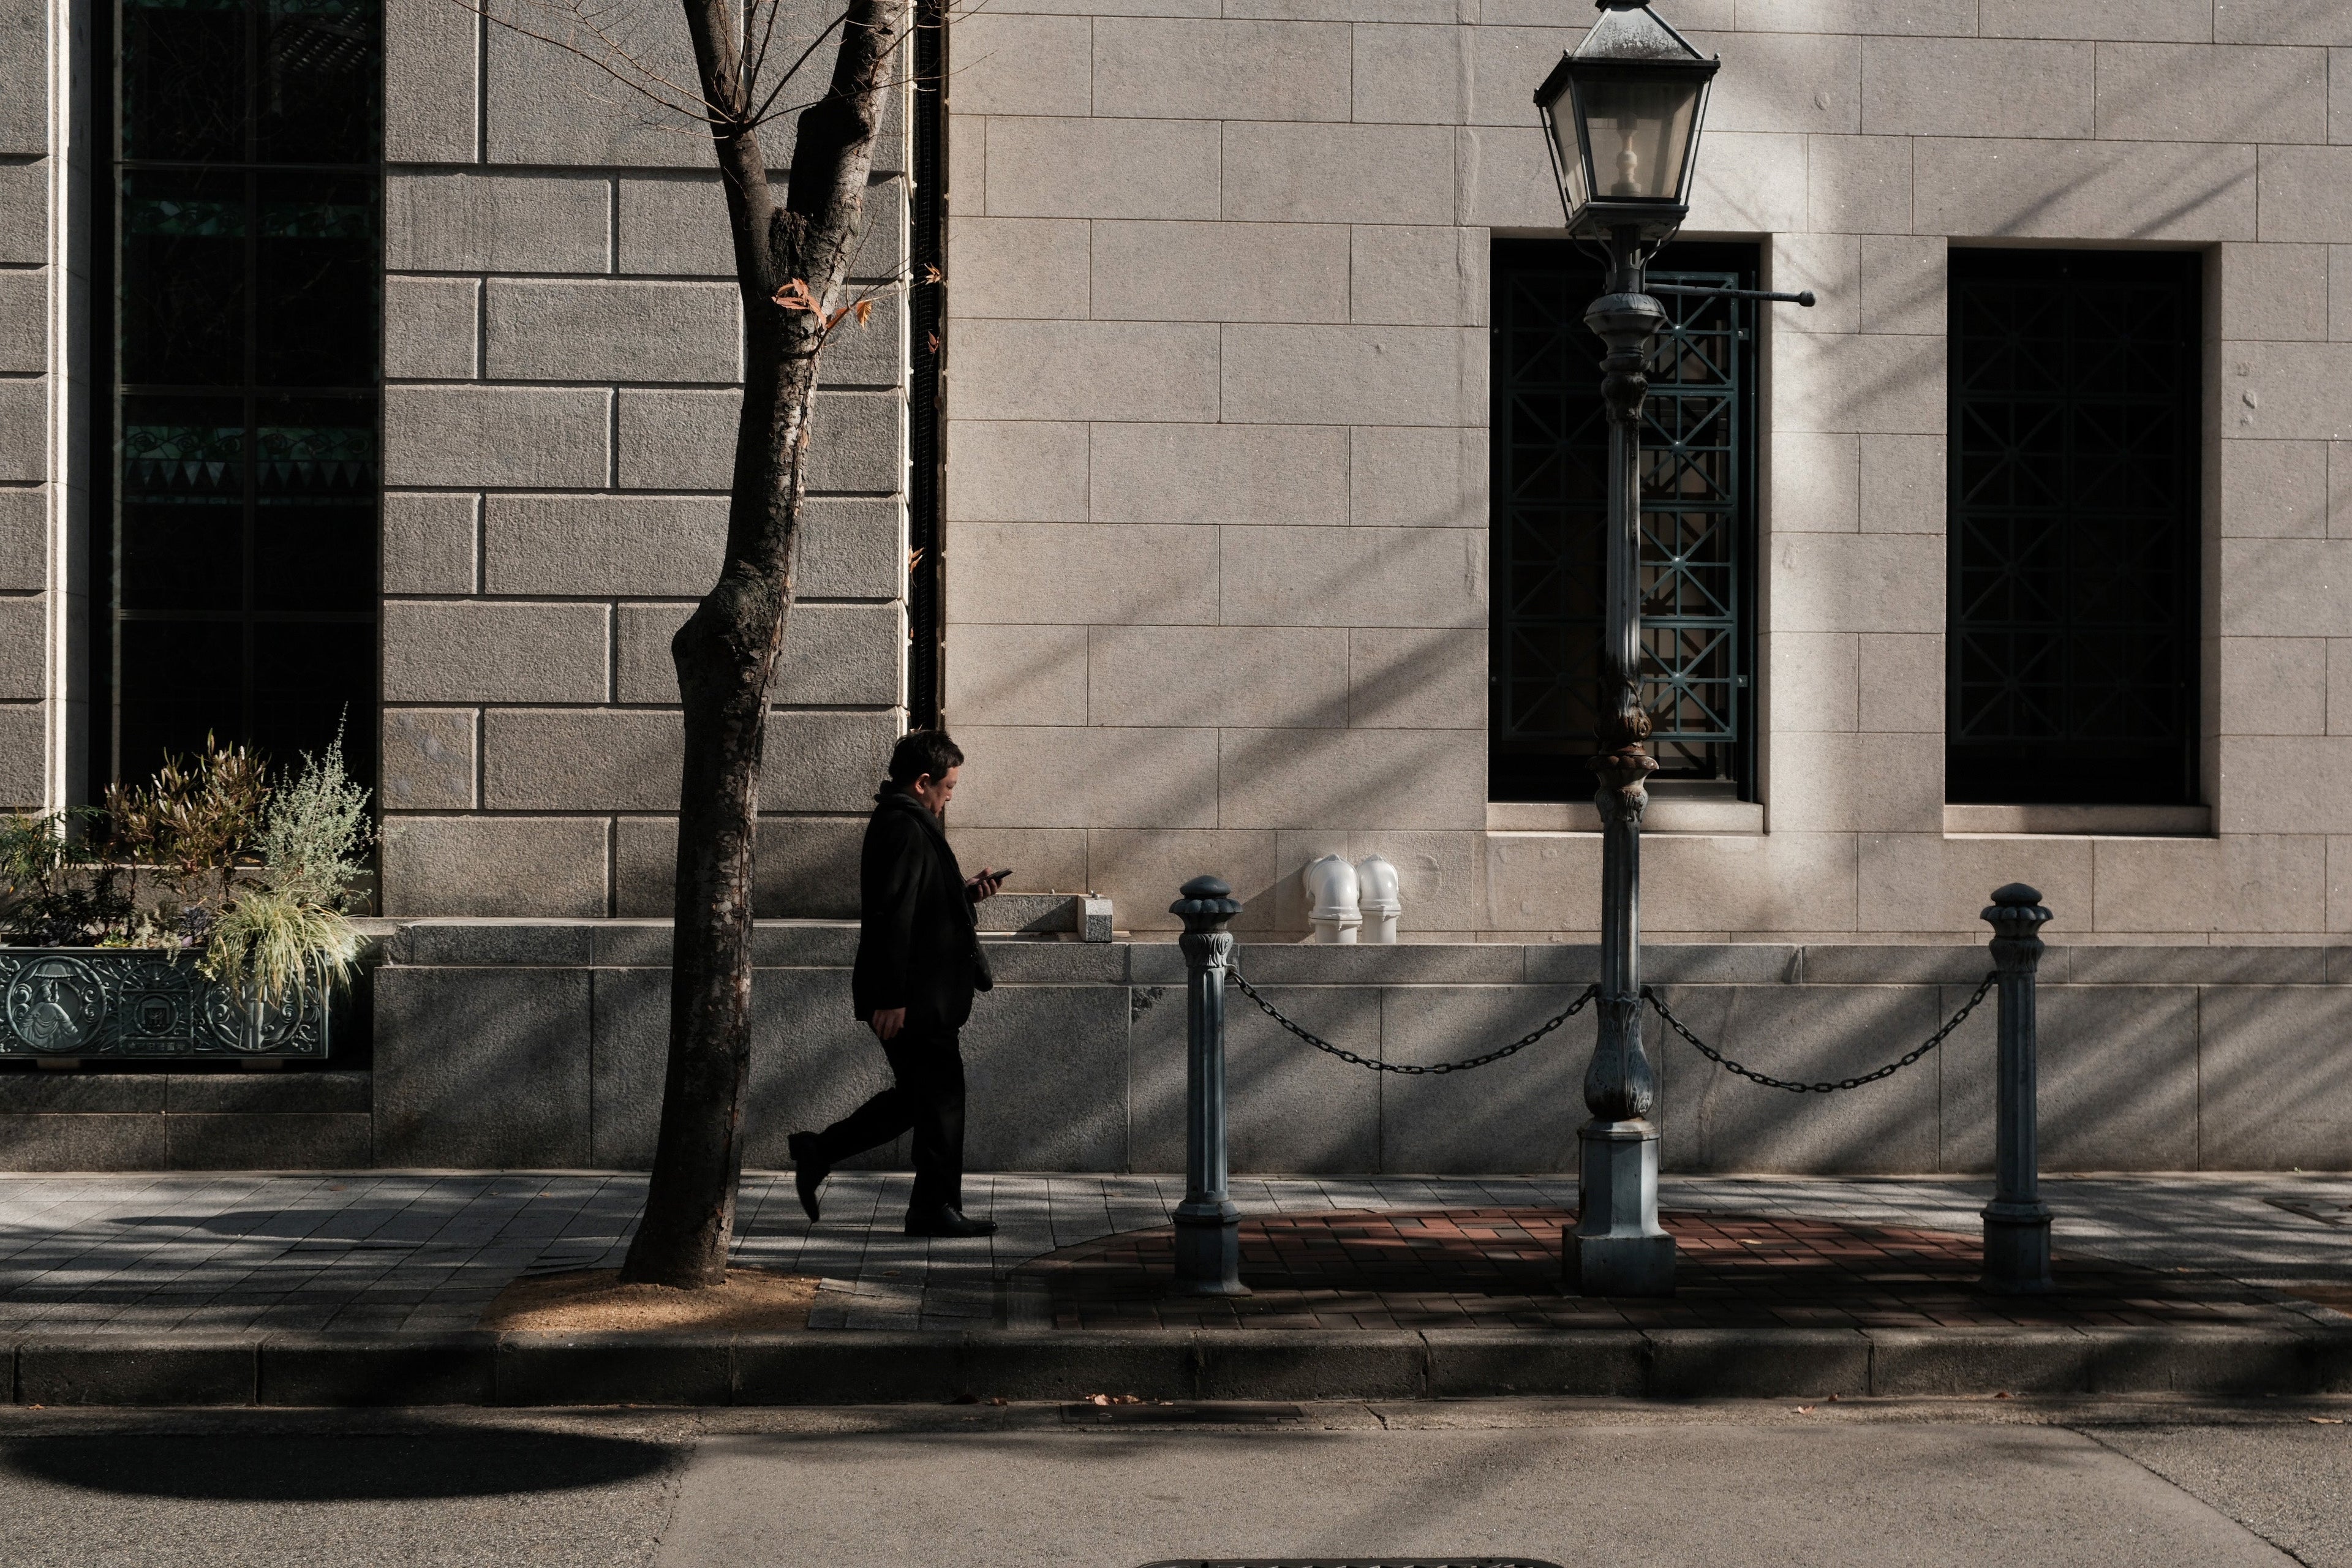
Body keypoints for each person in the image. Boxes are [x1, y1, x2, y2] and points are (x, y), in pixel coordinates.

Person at [787, 729, 1006, 1238]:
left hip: (923, 995)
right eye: (948, 786)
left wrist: (966, 894)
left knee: (921, 1099)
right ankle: (931, 1208)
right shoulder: (903, 828)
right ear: (923, 781)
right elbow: (892, 916)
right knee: (942, 1102)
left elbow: (921, 903)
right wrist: (891, 998)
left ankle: (820, 1152)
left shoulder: (908, 823)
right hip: (915, 999)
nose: (952, 794)